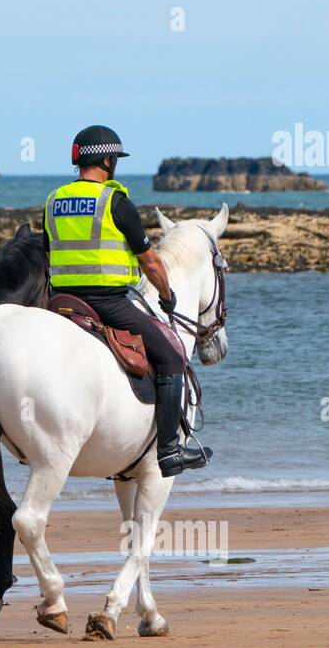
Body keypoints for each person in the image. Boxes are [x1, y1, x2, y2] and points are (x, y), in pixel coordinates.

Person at [43, 124, 209, 476]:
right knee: (171, 355)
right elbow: (150, 261)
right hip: (107, 303)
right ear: (106, 159)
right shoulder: (114, 202)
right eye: (114, 158)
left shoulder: (53, 200)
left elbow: (48, 252)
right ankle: (169, 450)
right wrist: (167, 296)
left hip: (59, 302)